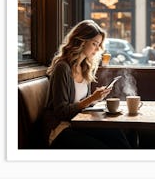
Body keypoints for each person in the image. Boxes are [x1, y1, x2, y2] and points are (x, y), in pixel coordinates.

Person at [42, 19, 131, 149]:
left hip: (78, 123)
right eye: (94, 43)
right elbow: (61, 112)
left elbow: (82, 104)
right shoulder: (62, 68)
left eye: (99, 45)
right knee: (102, 147)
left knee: (116, 134)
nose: (98, 49)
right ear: (81, 41)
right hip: (60, 129)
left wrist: (96, 98)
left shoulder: (84, 67)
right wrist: (91, 98)